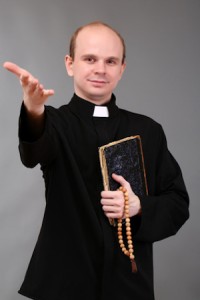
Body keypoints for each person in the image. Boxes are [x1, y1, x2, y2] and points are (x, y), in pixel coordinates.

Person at [3, 21, 189, 300]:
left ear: (122, 68)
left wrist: (139, 207)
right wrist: (33, 108)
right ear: (70, 64)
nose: (101, 69)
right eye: (90, 59)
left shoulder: (148, 130)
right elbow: (32, 154)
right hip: (64, 285)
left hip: (128, 285)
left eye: (111, 61)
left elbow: (177, 204)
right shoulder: (55, 123)